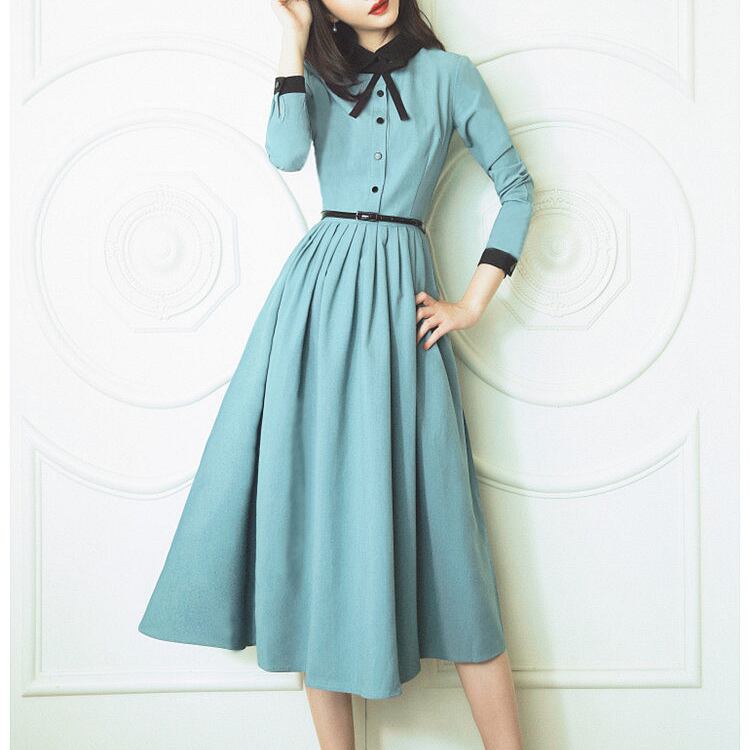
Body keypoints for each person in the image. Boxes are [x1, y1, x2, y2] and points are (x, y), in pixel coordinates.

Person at [138, 0, 533, 747]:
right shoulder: (318, 76)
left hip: (403, 312)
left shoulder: (450, 75)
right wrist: (292, 42)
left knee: (450, 536)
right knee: (315, 519)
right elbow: (286, 153)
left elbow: (518, 185)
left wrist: (472, 303)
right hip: (316, 310)